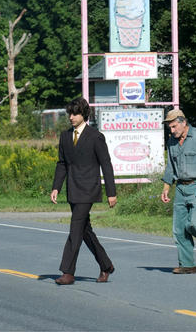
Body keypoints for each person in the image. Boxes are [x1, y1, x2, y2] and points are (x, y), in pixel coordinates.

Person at [50, 98, 117, 285]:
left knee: (75, 228)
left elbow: (106, 164)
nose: (71, 117)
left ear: (84, 115)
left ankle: (68, 272)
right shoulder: (64, 136)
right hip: (73, 189)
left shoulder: (95, 136)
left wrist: (111, 192)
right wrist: (56, 187)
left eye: (75, 113)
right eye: (69, 114)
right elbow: (62, 163)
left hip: (88, 189)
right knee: (84, 230)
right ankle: (106, 265)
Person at [160, 109, 196, 274]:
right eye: (169, 128)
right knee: (179, 229)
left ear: (183, 122)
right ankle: (187, 264)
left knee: (194, 223)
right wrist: (166, 187)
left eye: (174, 126)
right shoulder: (172, 141)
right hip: (180, 187)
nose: (172, 131)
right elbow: (170, 165)